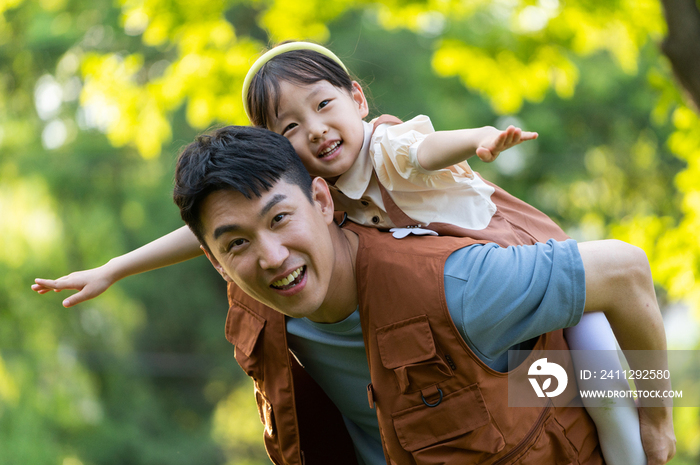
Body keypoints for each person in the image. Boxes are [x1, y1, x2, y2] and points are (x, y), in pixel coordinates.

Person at [32, 42, 654, 463]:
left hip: (510, 252)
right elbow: (203, 233)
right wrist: (114, 268)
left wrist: (487, 139)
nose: (271, 255)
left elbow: (624, 270)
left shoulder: (392, 159)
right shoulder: (265, 275)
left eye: (323, 107)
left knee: (593, 366)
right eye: (290, 129)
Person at [170, 124, 673, 464]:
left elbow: (625, 270)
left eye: (281, 218)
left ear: (322, 200)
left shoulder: (457, 287)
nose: (273, 256)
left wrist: (658, 421)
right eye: (237, 243)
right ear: (215, 261)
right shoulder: (262, 303)